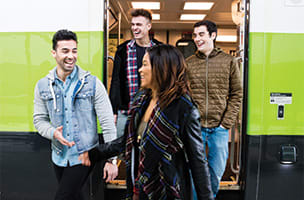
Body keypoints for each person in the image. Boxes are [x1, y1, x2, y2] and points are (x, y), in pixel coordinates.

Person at [90, 44, 214, 200]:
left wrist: (206, 197)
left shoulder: (183, 108)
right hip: (140, 186)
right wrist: (95, 153)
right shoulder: (141, 100)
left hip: (167, 191)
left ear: (161, 68)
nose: (140, 70)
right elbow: (128, 140)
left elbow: (198, 161)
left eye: (145, 65)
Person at [33, 29, 118, 200]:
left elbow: (108, 123)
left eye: (74, 50)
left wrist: (111, 160)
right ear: (54, 53)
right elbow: (39, 120)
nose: (71, 56)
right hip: (59, 156)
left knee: (63, 197)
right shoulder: (42, 86)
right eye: (65, 51)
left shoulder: (93, 84)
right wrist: (53, 133)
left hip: (85, 155)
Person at [186, 20, 243, 198]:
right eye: (195, 35)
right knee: (194, 173)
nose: (197, 39)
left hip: (219, 129)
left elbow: (237, 94)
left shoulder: (229, 61)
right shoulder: (188, 63)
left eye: (201, 34)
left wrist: (226, 124)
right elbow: (184, 95)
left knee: (215, 173)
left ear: (213, 35)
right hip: (195, 129)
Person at [109, 8, 161, 137]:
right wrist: (113, 111)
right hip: (126, 111)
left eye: (139, 24)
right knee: (122, 149)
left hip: (151, 111)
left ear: (148, 26)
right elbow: (116, 81)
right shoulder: (122, 50)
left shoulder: (159, 50)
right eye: (133, 24)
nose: (134, 28)